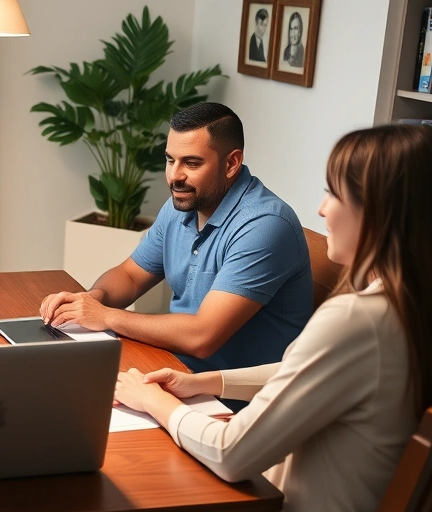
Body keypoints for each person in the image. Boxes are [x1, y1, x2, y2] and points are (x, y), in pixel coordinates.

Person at [65, 123, 432, 512]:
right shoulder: (412, 309)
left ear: (384, 212)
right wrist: (208, 381)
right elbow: (308, 370)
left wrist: (155, 402)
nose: (321, 211)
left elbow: (232, 453)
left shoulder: (356, 318)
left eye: (335, 194)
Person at [40, 103, 312, 400]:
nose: (175, 176)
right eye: (170, 160)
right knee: (53, 387)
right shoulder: (180, 206)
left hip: (238, 402)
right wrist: (93, 300)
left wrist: (106, 317)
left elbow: (202, 336)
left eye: (192, 163)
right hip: (175, 370)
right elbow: (131, 276)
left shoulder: (264, 225)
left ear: (232, 163)